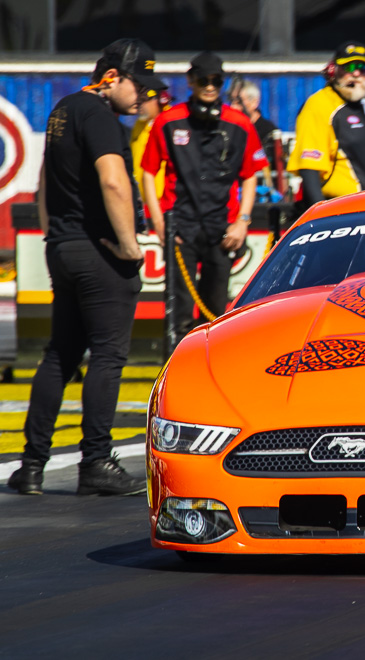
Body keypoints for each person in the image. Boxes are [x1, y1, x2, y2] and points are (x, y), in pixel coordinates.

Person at [6, 38, 157, 496]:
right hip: (100, 252)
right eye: (139, 85)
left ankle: (31, 466)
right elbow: (113, 181)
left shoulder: (63, 111)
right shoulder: (100, 116)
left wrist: (55, 236)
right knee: (108, 356)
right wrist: (131, 248)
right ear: (111, 76)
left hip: (65, 247)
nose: (144, 96)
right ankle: (95, 463)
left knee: (60, 354)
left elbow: (44, 183)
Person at [141, 51, 267, 336]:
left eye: (216, 81)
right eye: (203, 80)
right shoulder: (168, 121)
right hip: (179, 226)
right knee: (180, 310)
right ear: (190, 81)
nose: (210, 86)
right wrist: (159, 222)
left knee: (216, 312)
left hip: (222, 228)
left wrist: (243, 221)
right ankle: (174, 369)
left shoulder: (239, 124)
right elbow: (148, 172)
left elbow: (250, 176)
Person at [287, 41, 365, 208]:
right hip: (347, 212)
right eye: (349, 68)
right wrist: (320, 216)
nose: (356, 74)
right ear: (332, 71)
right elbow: (309, 168)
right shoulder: (320, 105)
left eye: (362, 68)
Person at [130, 75, 170, 222]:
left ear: (159, 100)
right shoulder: (140, 126)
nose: (139, 105)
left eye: (144, 100)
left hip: (165, 206)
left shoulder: (170, 125)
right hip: (143, 206)